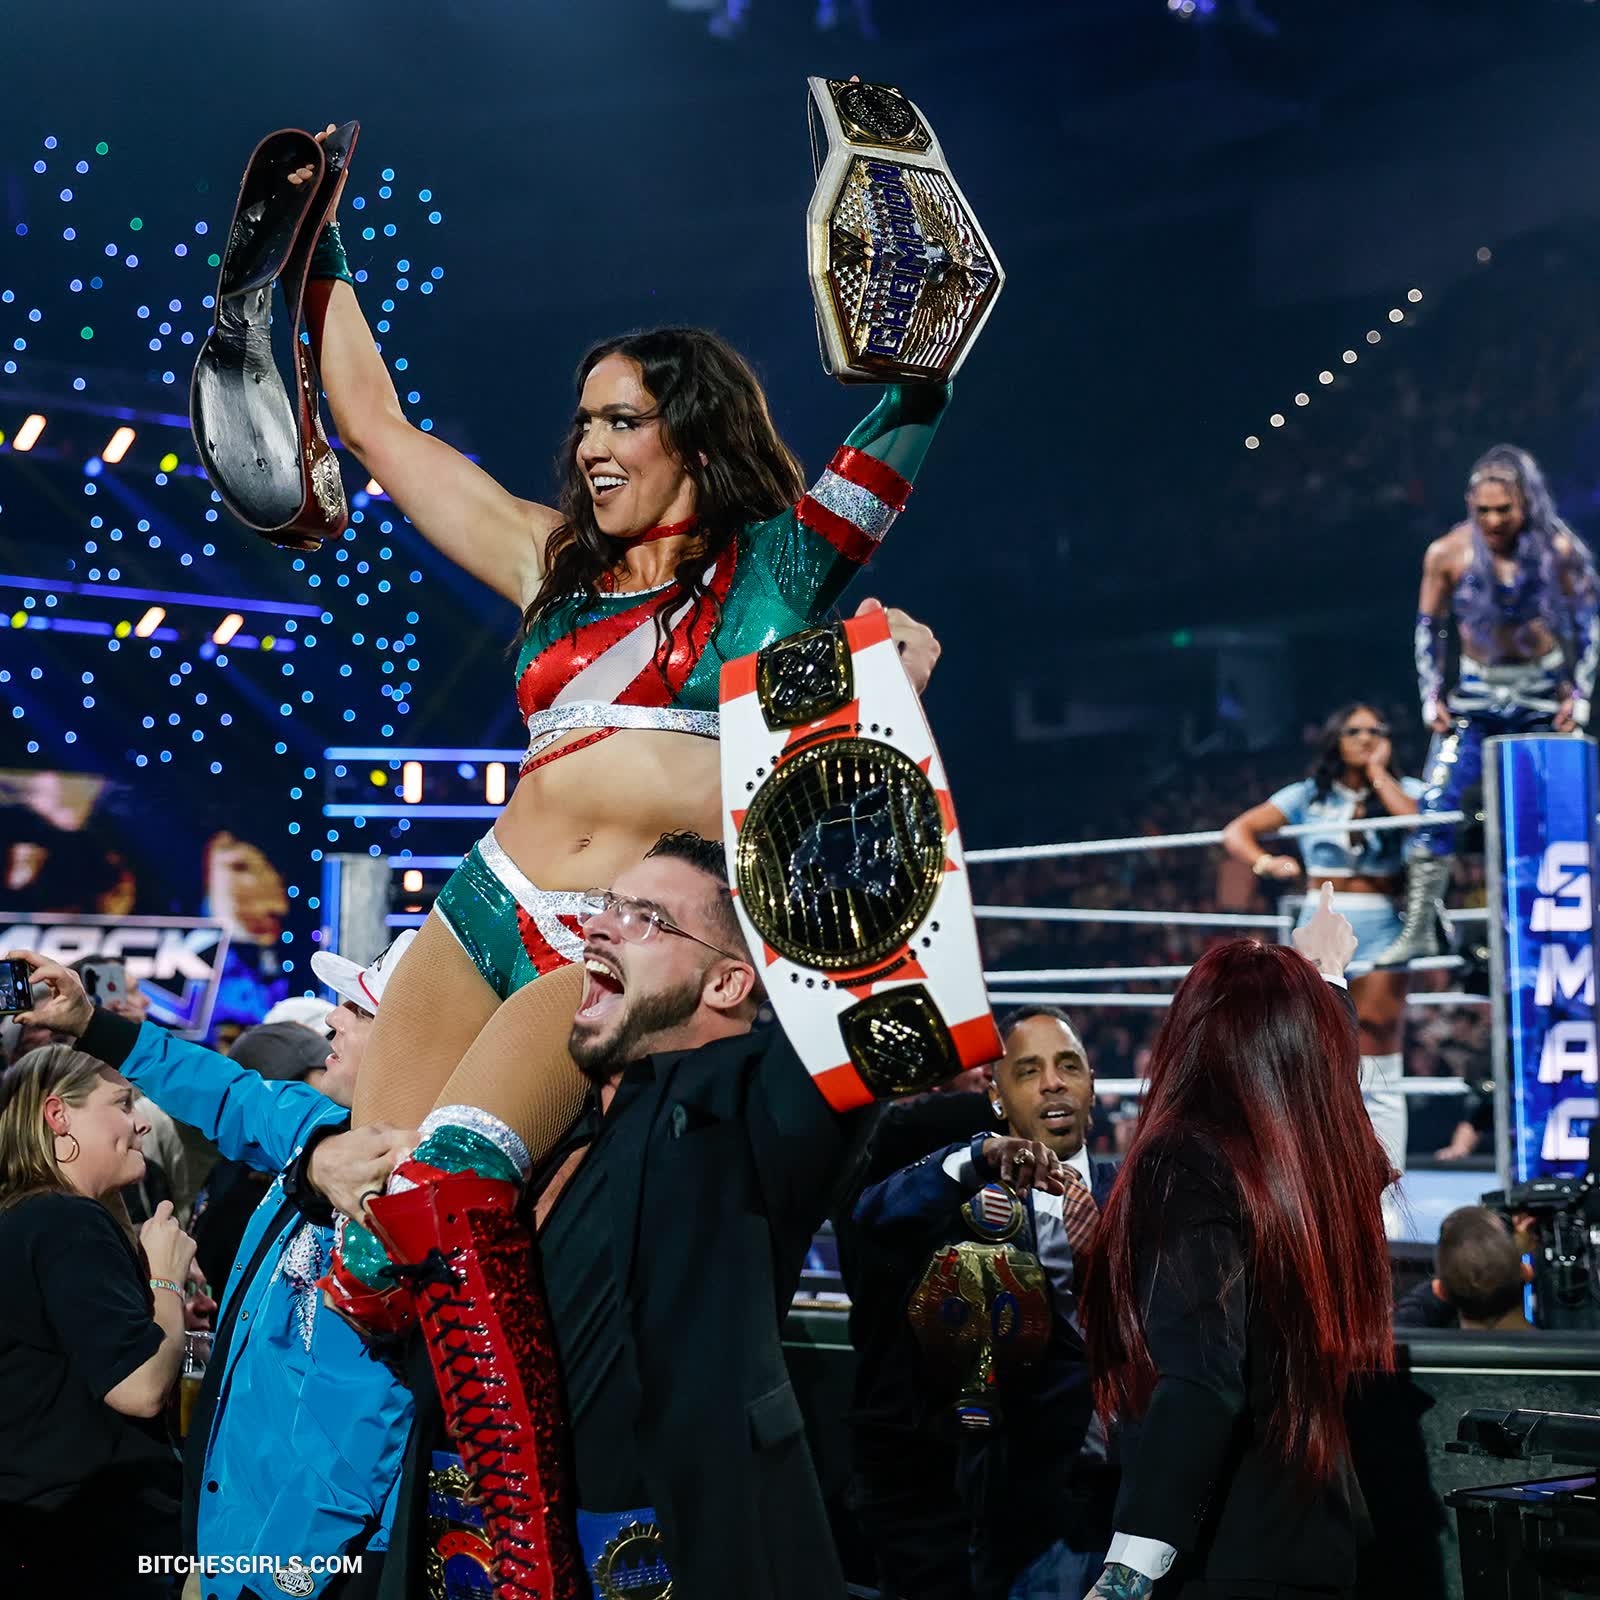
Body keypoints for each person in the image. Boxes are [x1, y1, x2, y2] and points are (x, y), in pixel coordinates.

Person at [283, 117, 955, 1562]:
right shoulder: (552, 568)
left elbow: (912, 399)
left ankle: (529, 1556)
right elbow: (382, 430)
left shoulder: (779, 568)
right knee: (367, 1232)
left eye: (620, 421)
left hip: (602, 944)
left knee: (446, 1194)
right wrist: (311, 248)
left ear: (692, 432)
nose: (589, 444)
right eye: (582, 422)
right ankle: (389, 1546)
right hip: (481, 905)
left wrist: (919, 292)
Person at [299, 832, 879, 1600]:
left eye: (645, 918)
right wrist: (317, 1165)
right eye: (605, 907)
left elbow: (875, 1007)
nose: (598, 927)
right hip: (452, 1557)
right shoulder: (531, 1128)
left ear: (727, 982)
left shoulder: (748, 1116)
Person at [8, 936, 420, 1600]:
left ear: (414, 1039)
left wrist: (274, 1577)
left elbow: (363, 1418)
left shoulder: (418, 1190)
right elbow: (230, 1096)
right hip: (236, 1537)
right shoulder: (320, 1129)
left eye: (359, 1008)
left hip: (302, 1562)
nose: (334, 1018)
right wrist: (90, 1022)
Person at [1079, 895, 1394, 1600]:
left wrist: (1128, 1572)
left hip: (1222, 1554)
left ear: (1193, 1033)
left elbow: (1203, 1378)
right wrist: (1327, 982)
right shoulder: (1316, 1164)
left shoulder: (1185, 1158)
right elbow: (1324, 1104)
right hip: (1315, 1542)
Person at [853, 1006, 1120, 1600]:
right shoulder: (966, 1204)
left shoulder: (1143, 1192)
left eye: (1068, 1065)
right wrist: (976, 1158)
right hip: (1023, 1521)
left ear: (1091, 1084)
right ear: (997, 1099)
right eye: (1028, 1071)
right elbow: (873, 1215)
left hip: (1137, 1513)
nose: (1052, 1082)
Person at [1379, 445, 1600, 964]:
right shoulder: (1447, 553)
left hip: (1542, 690)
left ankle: (1566, 921)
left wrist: (1581, 695)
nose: (1494, 521)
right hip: (1475, 696)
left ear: (1526, 504)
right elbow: (1428, 628)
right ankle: (1422, 924)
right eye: (1484, 510)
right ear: (1469, 505)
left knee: (1562, 805)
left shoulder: (1558, 551)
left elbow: (1589, 624)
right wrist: (1431, 695)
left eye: (1504, 510)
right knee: (1437, 800)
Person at [0, 1043, 191, 1598]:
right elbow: (140, 1386)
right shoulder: (65, 1222)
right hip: (90, 1542)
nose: (141, 1123)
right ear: (58, 1115)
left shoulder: (31, 1216)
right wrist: (167, 1280)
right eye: (123, 1103)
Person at [1221, 704, 1423, 1182]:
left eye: (1376, 730)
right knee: (1314, 1043)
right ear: (1335, 739)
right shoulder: (1308, 795)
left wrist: (1378, 775)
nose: (1366, 738)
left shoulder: (1405, 790)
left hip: (1383, 922)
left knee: (1379, 1043)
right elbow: (1237, 831)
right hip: (1324, 917)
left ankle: (1388, 1182)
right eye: (1354, 731)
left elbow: (1421, 827)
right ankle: (1316, 1172)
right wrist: (1266, 863)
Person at [833, 1071, 996, 1600]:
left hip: (990, 1440)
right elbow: (912, 1121)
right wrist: (1006, 1107)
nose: (988, 1070)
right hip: (911, 1441)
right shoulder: (888, 1137)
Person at [1394, 1206, 1533, 1332]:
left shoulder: (1408, 1344)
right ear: (1527, 1272)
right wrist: (1509, 1257)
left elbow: (1408, 1316)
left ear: (1440, 1290)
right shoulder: (1545, 1348)